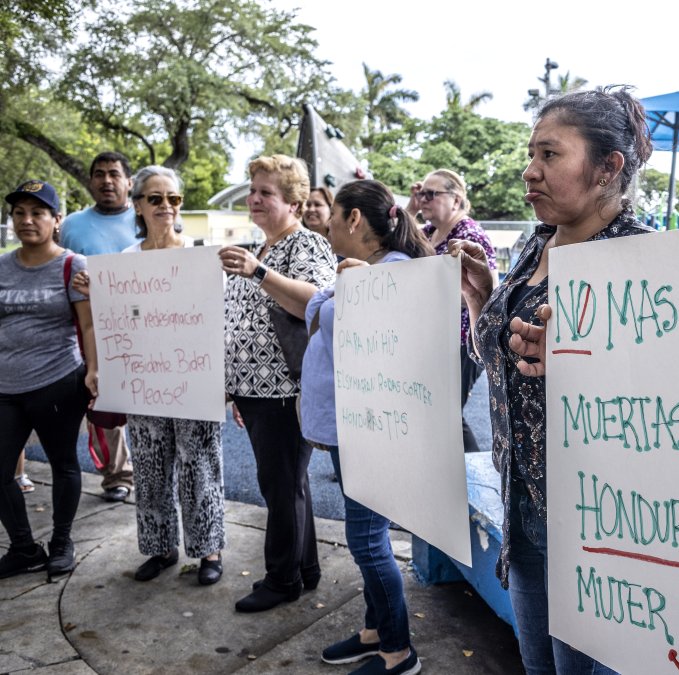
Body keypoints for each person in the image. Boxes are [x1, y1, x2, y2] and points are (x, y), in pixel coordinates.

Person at [451, 86, 654, 675]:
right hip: (521, 502)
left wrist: (588, 361)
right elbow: (505, 369)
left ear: (608, 167)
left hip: (597, 523)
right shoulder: (532, 243)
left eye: (549, 155)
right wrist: (483, 301)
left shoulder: (644, 263)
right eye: (530, 154)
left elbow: (671, 408)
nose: (528, 170)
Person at [71, 166, 226, 586]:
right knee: (151, 467)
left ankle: (208, 549)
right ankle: (160, 547)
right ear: (138, 205)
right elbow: (119, 320)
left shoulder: (202, 255)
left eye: (173, 199)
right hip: (144, 382)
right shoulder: (124, 263)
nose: (165, 207)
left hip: (193, 381)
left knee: (200, 467)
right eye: (155, 199)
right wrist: (97, 292)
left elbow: (215, 321)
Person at [303, 179, 429, 675]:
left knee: (368, 541)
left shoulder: (392, 273)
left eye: (333, 216)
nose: (327, 225)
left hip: (369, 432)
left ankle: (399, 651)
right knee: (366, 537)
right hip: (348, 428)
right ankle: (376, 630)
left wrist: (367, 291)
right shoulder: (370, 270)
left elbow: (399, 338)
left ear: (354, 219)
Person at [218, 155, 336, 612]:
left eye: (266, 192)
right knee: (290, 484)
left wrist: (259, 273)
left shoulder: (304, 245)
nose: (254, 199)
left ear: (292, 201)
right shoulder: (261, 247)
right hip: (256, 390)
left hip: (285, 389)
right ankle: (304, 569)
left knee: (281, 486)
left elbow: (317, 302)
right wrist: (234, 383)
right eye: (253, 191)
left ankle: (281, 579)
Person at [0, 180, 98, 580]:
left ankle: (61, 541)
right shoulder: (2, 265)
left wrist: (93, 371)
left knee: (63, 464)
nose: (27, 220)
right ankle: (24, 548)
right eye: (20, 212)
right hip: (6, 386)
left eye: (37, 213)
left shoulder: (74, 266)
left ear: (56, 220)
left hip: (58, 380)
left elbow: (89, 326)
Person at [59, 151, 137, 503]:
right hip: (92, 328)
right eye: (99, 174)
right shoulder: (73, 225)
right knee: (103, 398)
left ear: (129, 182)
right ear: (91, 181)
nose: (107, 180)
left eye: (114, 174)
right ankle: (117, 474)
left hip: (147, 324)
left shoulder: (146, 217)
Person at [406, 169, 497, 453]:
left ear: (456, 200)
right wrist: (410, 207)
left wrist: (425, 288)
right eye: (421, 193)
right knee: (438, 413)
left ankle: (477, 476)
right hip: (432, 339)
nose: (423, 199)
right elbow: (394, 240)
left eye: (431, 194)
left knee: (446, 414)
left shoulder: (468, 235)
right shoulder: (428, 233)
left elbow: (484, 290)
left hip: (461, 340)